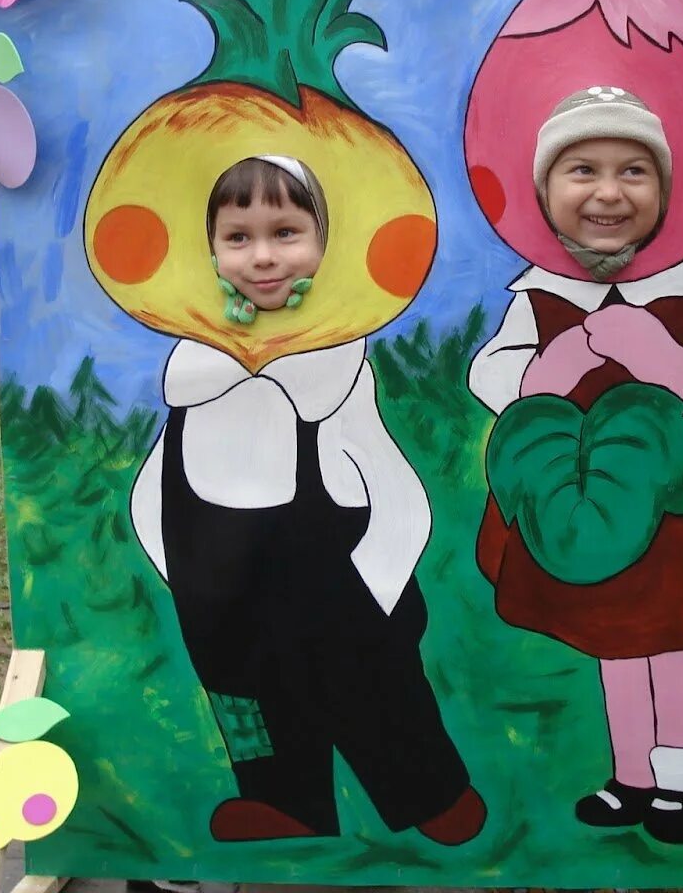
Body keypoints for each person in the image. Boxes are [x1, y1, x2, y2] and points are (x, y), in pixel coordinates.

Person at [468, 87, 683, 845]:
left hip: (682, 517)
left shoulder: (680, 297)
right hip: (579, 507)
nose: (608, 192)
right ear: (546, 193)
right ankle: (634, 776)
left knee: (675, 642)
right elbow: (491, 378)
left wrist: (672, 364)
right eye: (582, 169)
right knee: (614, 640)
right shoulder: (541, 296)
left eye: (635, 171)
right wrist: (554, 364)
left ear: (666, 192)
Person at [130, 155, 486, 847]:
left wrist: (378, 585)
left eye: (287, 232)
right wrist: (188, 580)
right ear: (211, 249)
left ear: (323, 241)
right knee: (248, 704)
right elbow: (155, 483)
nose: (263, 256)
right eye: (238, 237)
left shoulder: (334, 368)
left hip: (336, 590)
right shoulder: (194, 372)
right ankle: (282, 802)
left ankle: (428, 793)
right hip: (222, 597)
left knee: (374, 694)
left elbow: (391, 482)